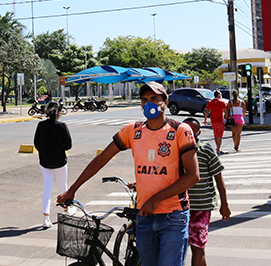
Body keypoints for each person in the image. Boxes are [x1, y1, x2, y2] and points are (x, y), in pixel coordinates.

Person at [57, 81, 199, 266]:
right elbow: (101, 159)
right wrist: (72, 189)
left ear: (165, 100)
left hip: (173, 216)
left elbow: (193, 175)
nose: (149, 103)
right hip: (145, 216)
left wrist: (155, 199)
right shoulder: (133, 131)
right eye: (144, 99)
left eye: (154, 99)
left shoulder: (180, 130)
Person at [182, 118, 231, 266]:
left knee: (198, 248)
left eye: (192, 131)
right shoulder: (175, 153)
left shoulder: (206, 150)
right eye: (185, 131)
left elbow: (219, 179)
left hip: (202, 208)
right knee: (187, 249)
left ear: (198, 133)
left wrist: (225, 204)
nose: (188, 134)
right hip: (180, 207)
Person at [34, 101, 72, 228]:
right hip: (60, 161)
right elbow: (69, 145)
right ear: (58, 113)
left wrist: (45, 152)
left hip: (45, 162)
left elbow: (36, 144)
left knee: (47, 188)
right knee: (63, 186)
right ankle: (66, 211)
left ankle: (46, 217)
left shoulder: (41, 125)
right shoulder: (62, 126)